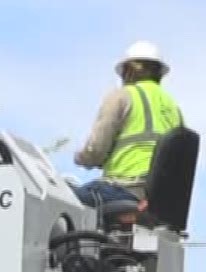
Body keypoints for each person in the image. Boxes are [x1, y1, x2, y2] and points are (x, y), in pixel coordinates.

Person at [71, 41, 185, 212]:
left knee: (63, 199)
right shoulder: (174, 108)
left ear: (128, 70)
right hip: (161, 200)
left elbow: (96, 150)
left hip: (124, 189)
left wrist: (81, 158)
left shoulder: (122, 96)